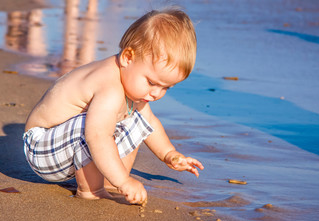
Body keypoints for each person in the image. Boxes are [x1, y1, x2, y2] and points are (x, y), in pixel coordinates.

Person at [23, 8, 204, 205]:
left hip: (64, 147)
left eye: (166, 87)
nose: (156, 93)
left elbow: (149, 122)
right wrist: (124, 181)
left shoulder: (132, 85)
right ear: (128, 58)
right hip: (41, 148)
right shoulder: (109, 87)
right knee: (95, 128)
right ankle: (92, 190)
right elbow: (97, 136)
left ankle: (109, 181)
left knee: (136, 120)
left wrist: (169, 154)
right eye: (152, 83)